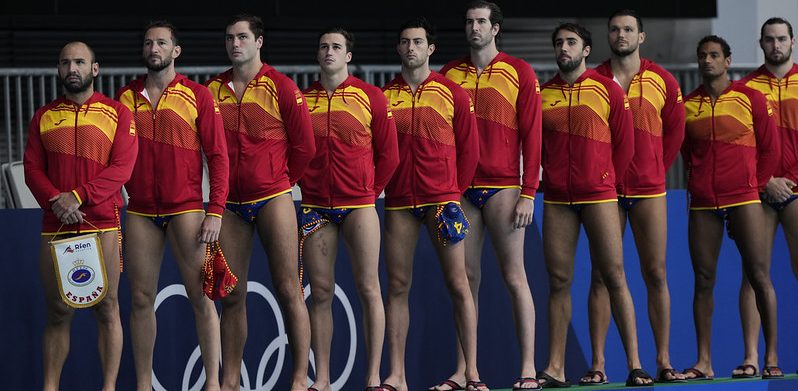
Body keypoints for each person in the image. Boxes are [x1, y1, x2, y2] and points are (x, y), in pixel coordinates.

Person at [537, 23, 654, 388]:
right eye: (558, 43)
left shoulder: (607, 89)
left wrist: (607, 180)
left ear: (586, 50)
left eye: (570, 42)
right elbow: (536, 145)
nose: (563, 48)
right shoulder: (544, 93)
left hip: (599, 195)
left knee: (614, 276)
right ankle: (555, 367)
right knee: (558, 281)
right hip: (558, 198)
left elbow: (626, 144)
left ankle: (635, 365)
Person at [203, 14, 315, 391]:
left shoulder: (281, 86)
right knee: (232, 294)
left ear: (259, 42)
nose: (235, 44)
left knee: (288, 288)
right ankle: (231, 382)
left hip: (272, 198)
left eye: (243, 37)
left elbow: (305, 147)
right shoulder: (212, 90)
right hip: (230, 205)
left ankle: (300, 378)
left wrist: (282, 182)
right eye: (230, 38)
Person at [116, 21, 229, 391]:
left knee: (201, 296)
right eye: (148, 42)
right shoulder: (125, 97)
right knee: (140, 298)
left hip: (186, 208)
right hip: (141, 210)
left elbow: (218, 156)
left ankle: (213, 382)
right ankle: (144, 385)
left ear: (175, 51)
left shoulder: (198, 95)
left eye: (161, 42)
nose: (154, 48)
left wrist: (215, 209)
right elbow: (113, 156)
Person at [379, 17, 486, 391]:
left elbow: (470, 150)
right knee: (396, 286)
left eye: (418, 42)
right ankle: (396, 375)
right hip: (398, 203)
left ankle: (471, 372)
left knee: (459, 284)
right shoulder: (383, 96)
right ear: (398, 49)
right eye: (405, 42)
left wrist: (454, 192)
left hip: (442, 200)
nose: (411, 48)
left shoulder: (453, 92)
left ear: (431, 49)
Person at [23, 41, 138, 391]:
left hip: (102, 222)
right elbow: (31, 169)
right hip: (55, 225)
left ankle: (108, 387)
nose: (72, 68)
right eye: (65, 63)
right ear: (59, 70)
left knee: (108, 308)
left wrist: (78, 197)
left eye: (79, 62)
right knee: (58, 311)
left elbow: (122, 168)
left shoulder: (118, 113)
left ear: (95, 69)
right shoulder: (43, 116)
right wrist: (56, 202)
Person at [438, 1, 541, 390]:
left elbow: (533, 136)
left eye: (481, 21)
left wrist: (529, 191)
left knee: (515, 277)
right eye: (469, 21)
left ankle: (529, 368)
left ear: (495, 28)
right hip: (462, 189)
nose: (474, 27)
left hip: (504, 187)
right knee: (465, 281)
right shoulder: (449, 74)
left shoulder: (519, 72)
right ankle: (465, 372)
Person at [586, 9, 686, 384]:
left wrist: (656, 168)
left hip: (648, 188)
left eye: (628, 30)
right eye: (614, 29)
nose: (621, 35)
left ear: (641, 37)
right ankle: (597, 364)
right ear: (608, 35)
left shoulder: (663, 79)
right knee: (601, 274)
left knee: (655, 273)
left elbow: (675, 133)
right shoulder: (593, 78)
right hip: (605, 191)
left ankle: (663, 360)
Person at [299, 26, 399, 391]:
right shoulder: (302, 99)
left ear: (348, 56)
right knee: (320, 292)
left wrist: (369, 192)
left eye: (336, 46)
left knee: (369, 288)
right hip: (315, 206)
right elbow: (291, 149)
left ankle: (372, 377)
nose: (329, 52)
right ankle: (322, 378)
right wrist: (304, 183)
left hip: (359, 205)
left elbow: (390, 155)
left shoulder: (370, 96)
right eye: (323, 46)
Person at [680, 35, 781, 381]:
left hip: (745, 198)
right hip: (704, 203)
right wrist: (697, 185)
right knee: (703, 280)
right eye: (702, 55)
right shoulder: (687, 104)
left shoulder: (750, 97)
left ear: (727, 60)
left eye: (714, 55)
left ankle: (768, 357)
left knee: (758, 275)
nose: (707, 61)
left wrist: (754, 185)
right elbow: (685, 154)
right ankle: (704, 362)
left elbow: (770, 150)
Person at [733, 17, 797, 380]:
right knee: (753, 276)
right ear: (761, 43)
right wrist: (766, 180)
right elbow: (741, 146)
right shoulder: (744, 88)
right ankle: (754, 358)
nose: (776, 45)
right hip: (759, 190)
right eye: (769, 40)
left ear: (793, 41)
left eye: (782, 39)